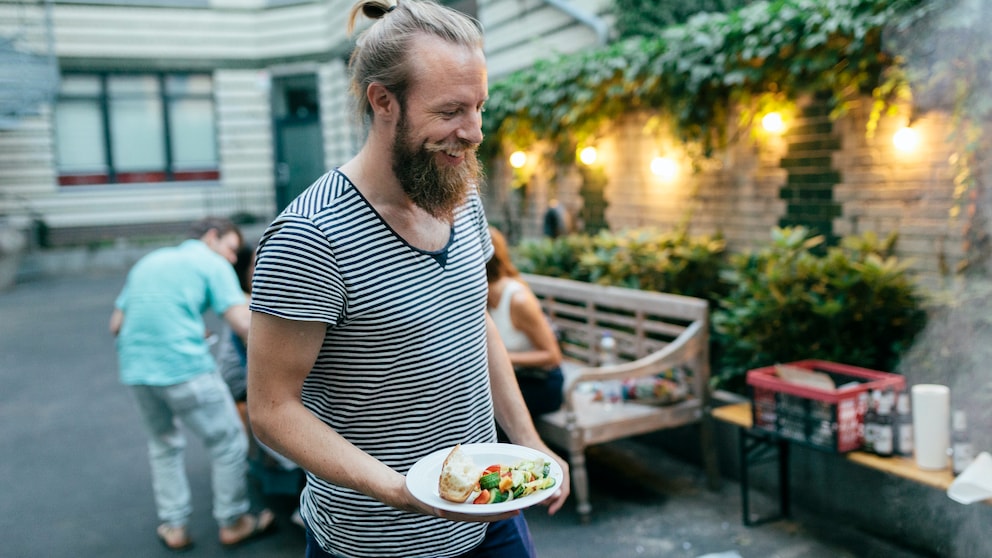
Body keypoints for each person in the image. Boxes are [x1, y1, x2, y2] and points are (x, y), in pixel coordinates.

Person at [245, 1, 570, 557]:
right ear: (383, 101)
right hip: (375, 541)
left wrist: (530, 444)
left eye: (479, 107)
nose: (473, 132)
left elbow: (476, 325)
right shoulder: (309, 237)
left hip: (487, 520)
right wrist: (399, 489)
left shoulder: (460, 194)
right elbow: (272, 410)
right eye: (450, 112)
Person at [109, 217, 275, 551]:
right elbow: (244, 322)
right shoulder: (211, 263)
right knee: (228, 441)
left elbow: (116, 324)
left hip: (137, 369)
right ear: (212, 238)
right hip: (184, 367)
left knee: (163, 444)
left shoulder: (150, 261)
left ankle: (174, 525)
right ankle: (233, 521)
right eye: (230, 248)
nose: (232, 259)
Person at [486, 227, 564, 416]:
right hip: (514, 378)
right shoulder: (483, 298)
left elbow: (552, 355)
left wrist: (502, 358)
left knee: (491, 407)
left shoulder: (517, 300)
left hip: (542, 383)